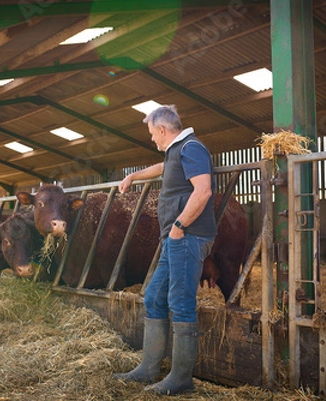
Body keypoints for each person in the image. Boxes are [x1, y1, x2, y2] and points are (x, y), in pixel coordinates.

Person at [113, 105, 217, 395]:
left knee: (180, 302)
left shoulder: (192, 148)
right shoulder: (176, 151)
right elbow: (162, 168)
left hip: (189, 236)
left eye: (151, 134)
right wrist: (133, 177)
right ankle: (148, 368)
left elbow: (203, 190)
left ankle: (181, 378)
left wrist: (180, 225)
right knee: (154, 296)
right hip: (175, 239)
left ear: (162, 130)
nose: (151, 140)